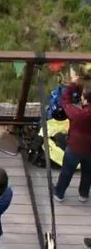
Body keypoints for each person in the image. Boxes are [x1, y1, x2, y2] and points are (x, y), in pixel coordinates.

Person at [52, 70, 91, 203]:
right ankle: (83, 194)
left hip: (75, 147)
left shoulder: (79, 114)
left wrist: (71, 86)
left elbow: (65, 103)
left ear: (84, 99)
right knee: (88, 173)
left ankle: (59, 193)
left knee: (67, 171)